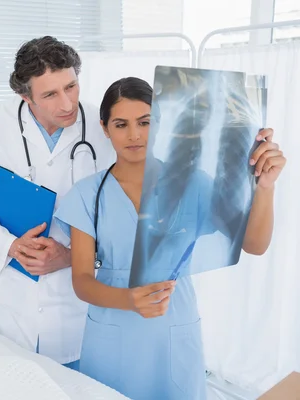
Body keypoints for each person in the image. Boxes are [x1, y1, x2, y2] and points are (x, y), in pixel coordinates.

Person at [54, 77, 286, 399]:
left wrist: (266, 186)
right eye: (121, 124)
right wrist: (129, 300)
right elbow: (81, 280)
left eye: (145, 122)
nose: (134, 135)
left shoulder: (193, 185)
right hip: (112, 335)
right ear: (105, 128)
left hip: (173, 327)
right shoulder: (86, 194)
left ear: (159, 122)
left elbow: (255, 244)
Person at [0, 36, 114, 369]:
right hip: (18, 300)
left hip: (82, 302)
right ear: (25, 96)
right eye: (50, 94)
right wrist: (11, 246)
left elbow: (126, 218)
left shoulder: (105, 128)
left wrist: (69, 257)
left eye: (71, 86)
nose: (67, 103)